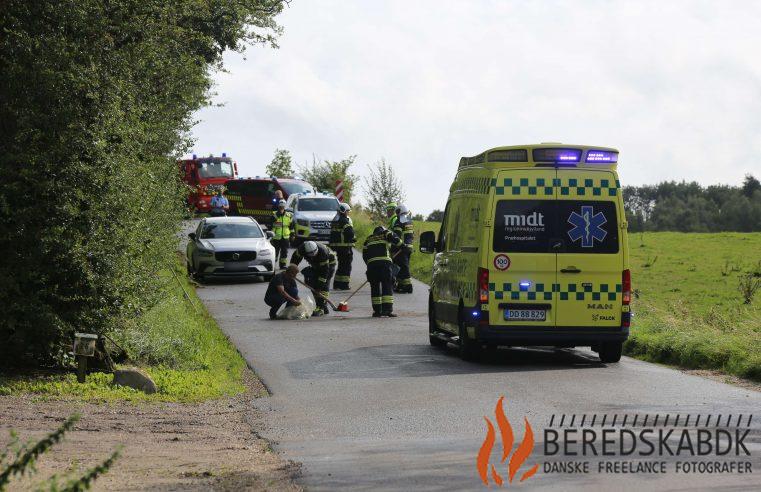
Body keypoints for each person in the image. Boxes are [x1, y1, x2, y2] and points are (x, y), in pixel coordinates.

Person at [362, 226, 403, 317]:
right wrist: (403, 246)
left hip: (372, 266)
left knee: (375, 288)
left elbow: (364, 255)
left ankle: (377, 311)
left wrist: (370, 265)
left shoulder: (368, 239)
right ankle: (387, 311)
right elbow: (394, 238)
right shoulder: (385, 234)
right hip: (385, 265)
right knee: (387, 285)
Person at [290, 241, 337, 316]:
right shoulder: (301, 249)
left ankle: (321, 307)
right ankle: (323, 306)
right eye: (310, 254)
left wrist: (319, 287)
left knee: (323, 285)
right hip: (315, 264)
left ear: (316, 250)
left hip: (329, 265)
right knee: (312, 283)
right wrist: (292, 270)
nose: (312, 256)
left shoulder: (322, 253)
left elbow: (324, 273)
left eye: (314, 254)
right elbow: (295, 259)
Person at [329, 203, 356, 290]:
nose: (348, 213)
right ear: (343, 211)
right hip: (345, 247)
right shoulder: (344, 220)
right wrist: (353, 238)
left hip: (338, 247)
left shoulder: (335, 220)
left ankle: (337, 284)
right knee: (346, 266)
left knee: (341, 265)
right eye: (347, 211)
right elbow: (350, 232)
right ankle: (344, 285)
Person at [392, 204, 415, 293]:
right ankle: (401, 285)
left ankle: (408, 286)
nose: (396, 214)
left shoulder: (399, 221)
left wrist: (393, 249)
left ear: (400, 211)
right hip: (408, 248)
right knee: (402, 267)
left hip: (401, 248)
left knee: (403, 268)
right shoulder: (409, 220)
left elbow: (396, 237)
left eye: (397, 211)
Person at [271, 199, 294, 270]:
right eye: (281, 206)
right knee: (275, 252)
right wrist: (279, 214)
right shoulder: (274, 214)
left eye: (283, 206)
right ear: (278, 206)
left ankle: (282, 265)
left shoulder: (289, 215)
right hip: (276, 237)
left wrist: (292, 235)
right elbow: (271, 222)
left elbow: (291, 226)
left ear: (285, 207)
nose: (282, 208)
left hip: (285, 237)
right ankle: (273, 264)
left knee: (284, 252)